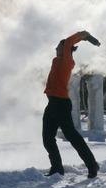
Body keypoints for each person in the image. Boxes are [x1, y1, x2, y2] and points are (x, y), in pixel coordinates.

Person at [42, 30, 101, 178]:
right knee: (47, 138)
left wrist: (85, 36)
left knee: (73, 137)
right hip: (52, 104)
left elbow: (69, 42)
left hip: (61, 104)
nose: (56, 48)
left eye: (58, 46)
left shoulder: (66, 61)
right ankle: (57, 168)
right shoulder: (56, 61)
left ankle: (92, 164)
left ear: (65, 49)